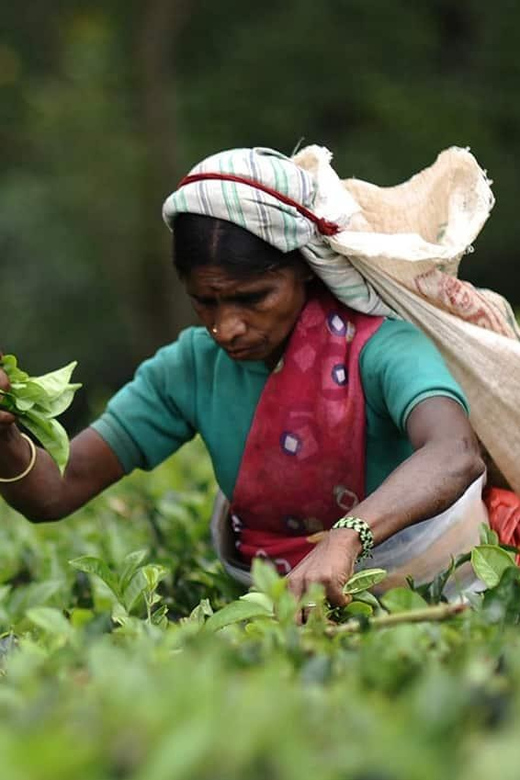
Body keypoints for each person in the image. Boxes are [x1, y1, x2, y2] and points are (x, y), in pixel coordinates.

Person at [0, 146, 516, 609]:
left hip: (441, 591)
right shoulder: (190, 369)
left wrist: (346, 538)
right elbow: (55, 492)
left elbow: (454, 453)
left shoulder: (382, 347)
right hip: (278, 609)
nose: (226, 327)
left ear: (305, 270)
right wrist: (4, 436)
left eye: (253, 298)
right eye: (205, 301)